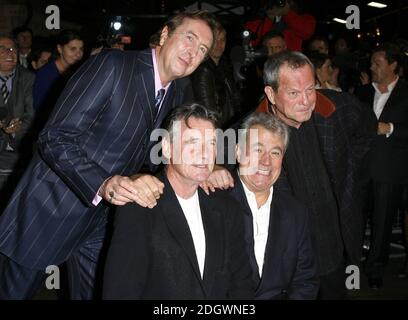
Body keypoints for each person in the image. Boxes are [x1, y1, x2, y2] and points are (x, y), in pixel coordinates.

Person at [0, 10, 215, 300]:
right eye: (189, 38)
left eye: (202, 49)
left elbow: (154, 155)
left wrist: (206, 168)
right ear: (165, 35)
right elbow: (54, 138)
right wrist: (102, 183)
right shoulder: (113, 64)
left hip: (100, 222)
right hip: (47, 212)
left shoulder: (175, 92)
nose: (194, 52)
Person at [208, 51, 372, 299]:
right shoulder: (247, 131)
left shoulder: (335, 108)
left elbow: (367, 125)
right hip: (287, 260)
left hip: (335, 247)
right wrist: (215, 168)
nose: (306, 100)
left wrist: (350, 169)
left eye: (310, 89)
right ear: (271, 94)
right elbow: (200, 161)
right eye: (294, 93)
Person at [103, 103, 254, 299]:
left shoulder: (227, 208)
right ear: (167, 148)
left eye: (211, 144)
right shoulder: (140, 206)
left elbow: (242, 286)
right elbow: (120, 293)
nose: (204, 153)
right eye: (193, 142)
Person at [228, 112, 318, 299]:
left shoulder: (296, 212)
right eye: (257, 150)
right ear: (238, 152)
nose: (266, 161)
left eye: (275, 152)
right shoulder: (214, 203)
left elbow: (306, 279)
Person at [355, 43, 408, 288]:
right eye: (372, 63)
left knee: (382, 223)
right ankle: (351, 265)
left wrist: (391, 129)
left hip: (390, 169)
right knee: (354, 219)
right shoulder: (362, 92)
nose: (372, 67)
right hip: (360, 168)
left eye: (378, 63)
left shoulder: (407, 92)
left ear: (393, 65)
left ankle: (376, 269)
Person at [0, 36, 34, 211]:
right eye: (3, 49)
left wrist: (18, 127)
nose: (9, 53)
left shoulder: (28, 78)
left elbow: (34, 115)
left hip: (16, 152)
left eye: (13, 49)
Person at [190, 19, 242, 128]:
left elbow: (234, 99)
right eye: (215, 40)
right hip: (219, 129)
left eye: (222, 40)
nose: (219, 45)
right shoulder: (203, 69)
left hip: (230, 126)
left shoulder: (224, 64)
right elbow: (208, 109)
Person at [33, 30, 84, 112]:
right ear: (60, 49)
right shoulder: (46, 74)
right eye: (72, 49)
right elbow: (40, 107)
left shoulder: (80, 71)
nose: (78, 54)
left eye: (81, 49)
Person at [244, 0, 315, 51]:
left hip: (290, 62)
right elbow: (252, 41)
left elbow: (307, 32)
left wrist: (287, 13)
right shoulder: (258, 18)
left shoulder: (303, 17)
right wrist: (269, 19)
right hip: (266, 61)